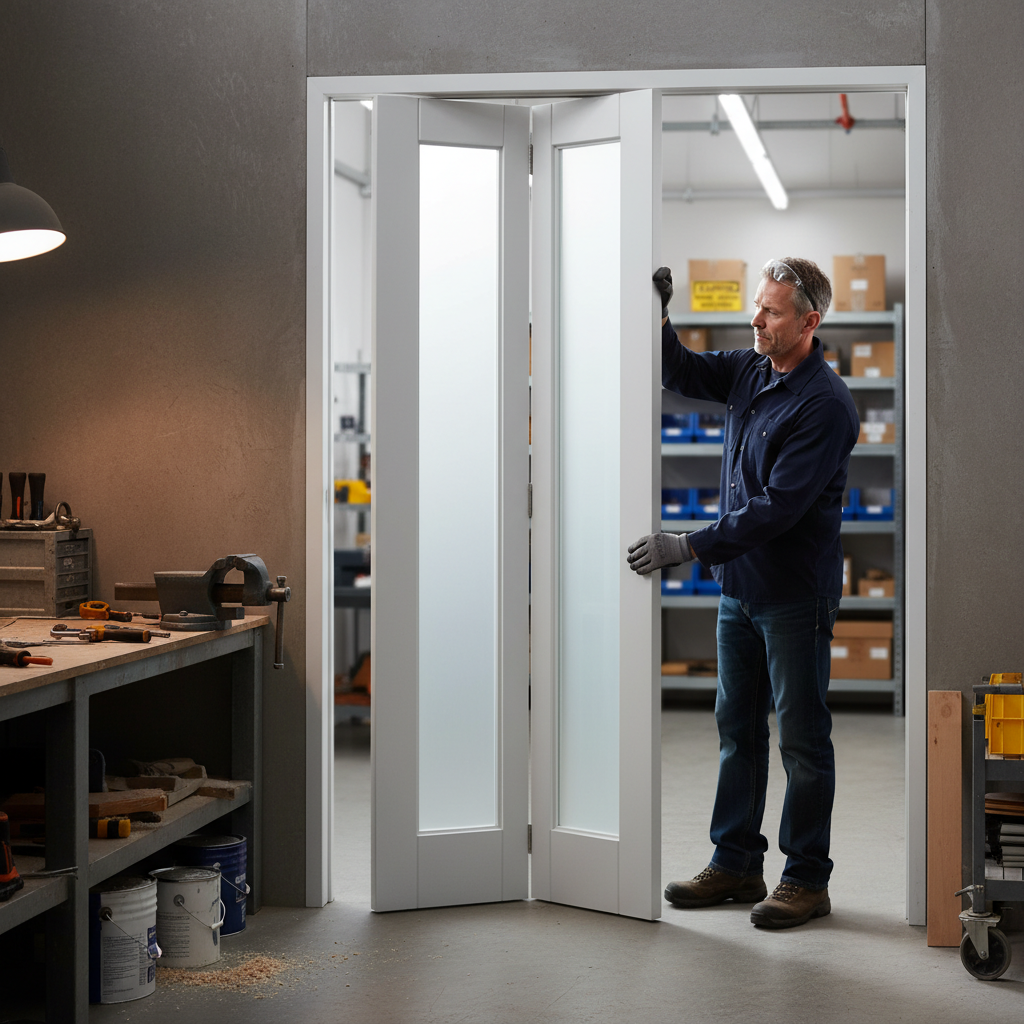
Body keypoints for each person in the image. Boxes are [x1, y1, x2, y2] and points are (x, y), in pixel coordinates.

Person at [627, 258, 859, 929]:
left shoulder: (825, 405)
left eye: (773, 311)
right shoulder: (751, 366)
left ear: (809, 322)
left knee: (803, 742)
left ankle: (806, 878)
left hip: (793, 595)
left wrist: (687, 545)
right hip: (739, 591)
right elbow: (682, 371)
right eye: (757, 308)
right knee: (737, 730)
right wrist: (659, 315)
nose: (757, 320)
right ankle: (735, 864)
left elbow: (777, 508)